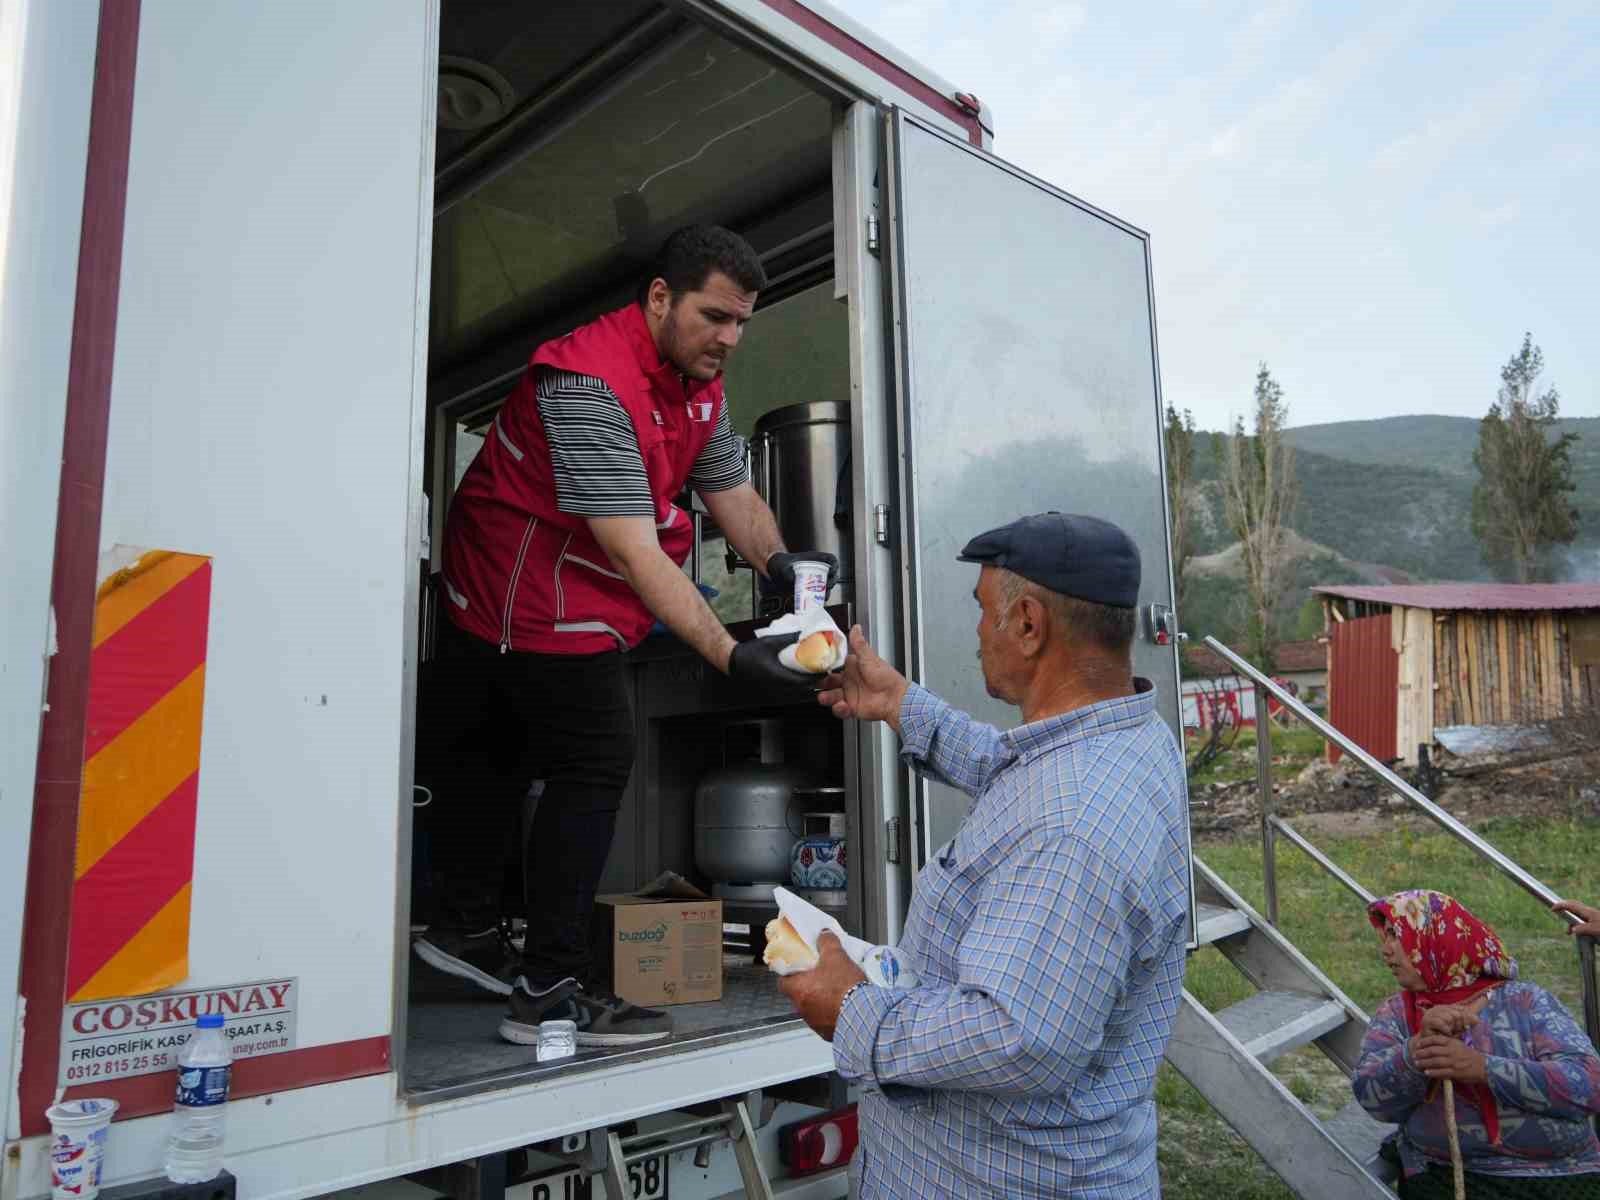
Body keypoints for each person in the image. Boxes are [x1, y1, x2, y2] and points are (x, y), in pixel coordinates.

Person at [417, 225, 834, 1047]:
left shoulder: (697, 381)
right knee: (596, 753)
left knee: (505, 763)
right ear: (658, 298)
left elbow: (732, 492)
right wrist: (729, 655)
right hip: (516, 590)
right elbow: (632, 546)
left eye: (742, 321)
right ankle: (549, 987)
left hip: (580, 590)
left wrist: (780, 561)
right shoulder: (588, 385)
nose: (731, 338)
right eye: (716, 316)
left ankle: (466, 936)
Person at [779, 512, 1190, 1199]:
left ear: (1029, 625)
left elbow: (1019, 1036)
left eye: (982, 611)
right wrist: (901, 703)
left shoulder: (1072, 820)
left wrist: (851, 1010)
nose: (976, 631)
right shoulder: (1122, 739)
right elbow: (1015, 774)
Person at [1353, 889, 1600, 1197]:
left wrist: (1483, 1068)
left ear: (1438, 939)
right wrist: (1416, 1052)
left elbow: (1589, 1085)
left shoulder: (1525, 1000)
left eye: (1396, 935)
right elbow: (1372, 1100)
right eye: (1385, 937)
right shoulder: (1397, 1013)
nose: (1386, 950)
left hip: (1561, 1175)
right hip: (1448, 1178)